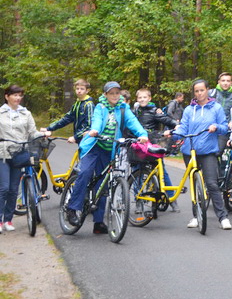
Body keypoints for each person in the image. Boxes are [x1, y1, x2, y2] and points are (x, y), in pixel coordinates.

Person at [66, 82, 148, 234]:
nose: (115, 96)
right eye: (111, 93)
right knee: (85, 173)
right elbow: (96, 121)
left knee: (104, 185)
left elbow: (133, 122)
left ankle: (98, 222)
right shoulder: (100, 107)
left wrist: (142, 134)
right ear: (105, 95)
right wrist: (95, 130)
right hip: (94, 146)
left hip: (109, 150)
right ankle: (72, 209)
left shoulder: (123, 108)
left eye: (117, 93)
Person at [172, 79, 232, 230]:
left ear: (207, 90)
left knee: (211, 183)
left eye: (202, 90)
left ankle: (223, 217)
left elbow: (225, 127)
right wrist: (175, 134)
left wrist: (216, 127)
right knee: (194, 184)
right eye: (196, 91)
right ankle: (196, 216)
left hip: (208, 151)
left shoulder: (216, 108)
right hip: (189, 151)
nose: (199, 93)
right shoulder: (188, 109)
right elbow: (183, 127)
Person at [0, 85, 47, 233]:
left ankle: (8, 219)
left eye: (20, 95)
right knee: (4, 188)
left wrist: (43, 134)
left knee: (14, 189)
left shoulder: (26, 113)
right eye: (15, 95)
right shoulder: (0, 113)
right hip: (3, 154)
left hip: (20, 153)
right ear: (7, 96)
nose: (18, 98)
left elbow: (32, 132)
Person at [132, 88, 179, 211]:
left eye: (144, 97)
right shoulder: (134, 111)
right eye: (140, 98)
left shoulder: (154, 111)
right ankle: (139, 199)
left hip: (152, 144)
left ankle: (171, 198)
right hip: (138, 145)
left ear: (149, 98)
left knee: (162, 171)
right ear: (137, 99)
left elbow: (165, 119)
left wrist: (176, 124)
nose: (142, 100)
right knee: (137, 172)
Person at [42, 79, 94, 144]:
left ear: (87, 90)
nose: (79, 91)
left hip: (88, 141)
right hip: (81, 141)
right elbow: (66, 119)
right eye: (77, 89)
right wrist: (49, 128)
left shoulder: (89, 105)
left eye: (82, 89)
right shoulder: (77, 104)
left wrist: (75, 137)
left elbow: (89, 126)